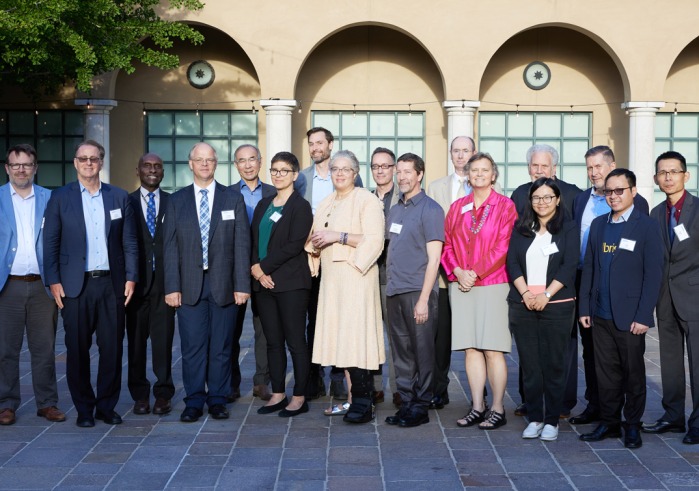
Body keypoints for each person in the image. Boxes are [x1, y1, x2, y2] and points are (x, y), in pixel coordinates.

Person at [43, 140, 138, 428]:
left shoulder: (119, 197)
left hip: (112, 285)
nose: (88, 163)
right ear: (75, 163)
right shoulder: (61, 197)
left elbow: (130, 242)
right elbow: (51, 243)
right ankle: (84, 408)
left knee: (112, 349)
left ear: (101, 162)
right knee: (77, 349)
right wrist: (53, 281)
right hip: (75, 287)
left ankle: (106, 407)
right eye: (83, 159)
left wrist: (132, 277)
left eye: (93, 159)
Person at [163, 142, 251, 423]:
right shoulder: (176, 201)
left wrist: (242, 285)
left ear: (216, 164)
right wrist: (172, 287)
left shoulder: (232, 198)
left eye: (209, 160)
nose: (204, 164)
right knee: (192, 348)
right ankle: (194, 401)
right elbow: (170, 248)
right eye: (199, 160)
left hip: (224, 285)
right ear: (190, 164)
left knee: (223, 347)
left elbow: (241, 245)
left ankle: (217, 399)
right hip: (188, 287)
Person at [578, 168, 663, 449]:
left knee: (633, 374)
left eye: (619, 190)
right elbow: (589, 266)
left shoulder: (646, 226)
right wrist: (585, 307)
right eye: (608, 191)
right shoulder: (599, 225)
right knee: (606, 374)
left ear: (633, 192)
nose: (613, 196)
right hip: (600, 314)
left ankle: (632, 425)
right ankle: (609, 422)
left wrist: (643, 316)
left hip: (629, 318)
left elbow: (653, 275)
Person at [569, 146, 648, 426]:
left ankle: (630, 419)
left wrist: (642, 312)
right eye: (589, 167)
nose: (594, 173)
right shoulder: (581, 201)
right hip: (588, 282)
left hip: (624, 293)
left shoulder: (637, 207)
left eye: (599, 167)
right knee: (593, 352)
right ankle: (598, 406)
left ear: (612, 165)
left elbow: (646, 264)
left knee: (627, 360)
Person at [306, 149, 384, 424]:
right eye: (335, 169)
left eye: (345, 169)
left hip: (356, 277)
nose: (339, 173)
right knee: (342, 341)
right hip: (332, 280)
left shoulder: (366, 200)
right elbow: (316, 236)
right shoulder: (327, 202)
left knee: (357, 340)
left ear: (355, 173)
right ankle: (352, 400)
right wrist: (314, 248)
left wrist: (338, 237)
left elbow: (375, 239)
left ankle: (364, 402)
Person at [441, 152, 517, 430]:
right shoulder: (457, 206)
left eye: (485, 170)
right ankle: (477, 405)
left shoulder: (505, 206)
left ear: (493, 175)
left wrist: (475, 272)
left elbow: (503, 246)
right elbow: (446, 244)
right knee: (470, 348)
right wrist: (458, 272)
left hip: (492, 283)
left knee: (492, 348)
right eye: (474, 170)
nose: (479, 174)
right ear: (468, 175)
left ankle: (497, 407)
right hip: (460, 284)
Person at [427, 136, 501, 411]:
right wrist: (456, 270)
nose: (461, 156)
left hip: (486, 280)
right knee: (449, 338)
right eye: (456, 151)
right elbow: (440, 236)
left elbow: (500, 241)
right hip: (450, 276)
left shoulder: (498, 196)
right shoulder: (441, 192)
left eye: (465, 151)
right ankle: (448, 393)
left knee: (486, 343)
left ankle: (487, 400)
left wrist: (474, 272)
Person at [509, 143, 582, 418]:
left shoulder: (572, 193)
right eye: (535, 166)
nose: (539, 170)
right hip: (526, 287)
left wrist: (551, 291)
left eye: (544, 166)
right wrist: (525, 290)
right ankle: (530, 402)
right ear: (529, 168)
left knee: (560, 351)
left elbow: (570, 251)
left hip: (558, 289)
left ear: (555, 168)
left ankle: (562, 403)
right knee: (528, 351)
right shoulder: (519, 194)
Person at [0, 144, 64, 426]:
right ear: (7, 169)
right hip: (7, 286)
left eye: (26, 164)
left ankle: (47, 403)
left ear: (35, 168)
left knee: (44, 347)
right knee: (6, 349)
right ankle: (6, 404)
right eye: (16, 165)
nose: (21, 169)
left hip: (42, 286)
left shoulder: (51, 199)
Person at [300, 127, 363, 400]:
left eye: (319, 143)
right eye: (311, 143)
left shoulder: (349, 178)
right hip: (312, 258)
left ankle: (340, 378)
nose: (315, 148)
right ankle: (314, 377)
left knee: (341, 319)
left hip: (341, 258)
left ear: (330, 145)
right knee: (314, 320)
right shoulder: (302, 178)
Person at [384, 153, 444, 428]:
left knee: (422, 352)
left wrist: (423, 300)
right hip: (395, 290)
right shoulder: (395, 209)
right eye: (399, 172)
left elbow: (434, 259)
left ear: (420, 174)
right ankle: (406, 402)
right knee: (402, 352)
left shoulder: (431, 209)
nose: (403, 177)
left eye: (408, 172)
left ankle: (421, 405)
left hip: (418, 292)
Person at [643, 151, 699, 444]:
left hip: (694, 297)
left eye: (673, 172)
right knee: (670, 362)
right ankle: (673, 415)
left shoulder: (697, 209)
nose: (668, 177)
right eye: (662, 172)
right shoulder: (655, 213)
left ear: (685, 175)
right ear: (655, 179)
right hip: (665, 299)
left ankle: (698, 422)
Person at [252, 152, 313, 417]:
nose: (278, 175)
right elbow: (253, 239)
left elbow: (294, 245)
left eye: (284, 170)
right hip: (263, 284)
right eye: (274, 170)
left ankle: (299, 396)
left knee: (295, 342)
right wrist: (256, 270)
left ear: (295, 175)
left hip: (290, 284)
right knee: (273, 342)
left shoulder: (301, 207)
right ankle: (278, 393)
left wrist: (263, 266)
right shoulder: (264, 204)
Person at [126, 153, 176, 416]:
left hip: (165, 285)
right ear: (138, 170)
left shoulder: (173, 202)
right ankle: (140, 395)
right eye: (147, 166)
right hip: (134, 286)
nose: (153, 170)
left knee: (163, 342)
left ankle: (163, 394)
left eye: (158, 166)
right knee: (135, 343)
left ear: (163, 171)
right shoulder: (126, 202)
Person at [229, 144, 274, 403]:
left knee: (264, 329)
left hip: (265, 270)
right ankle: (231, 383)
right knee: (230, 331)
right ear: (236, 165)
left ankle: (261, 382)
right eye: (241, 160)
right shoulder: (226, 194)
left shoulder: (274, 192)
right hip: (233, 270)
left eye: (252, 159)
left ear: (260, 161)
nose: (247, 165)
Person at [370, 147, 400, 407]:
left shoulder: (403, 198)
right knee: (372, 334)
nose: (380, 170)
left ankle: (401, 387)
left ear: (393, 169)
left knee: (396, 334)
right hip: (369, 275)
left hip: (394, 275)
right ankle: (376, 386)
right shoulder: (364, 198)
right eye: (376, 166)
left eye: (385, 166)